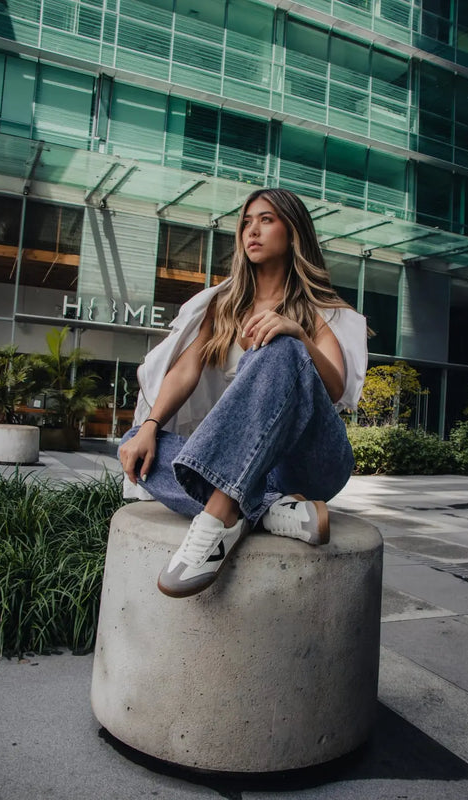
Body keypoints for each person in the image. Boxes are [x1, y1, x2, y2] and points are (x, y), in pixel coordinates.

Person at [118, 188, 367, 598]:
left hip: (310, 462)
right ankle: (269, 509)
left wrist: (299, 336)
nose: (252, 230)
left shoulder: (319, 307)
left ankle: (218, 521)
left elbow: (336, 387)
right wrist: (149, 425)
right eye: (247, 222)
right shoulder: (224, 305)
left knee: (278, 346)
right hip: (249, 466)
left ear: (293, 231)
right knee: (135, 444)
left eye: (266, 220)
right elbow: (185, 371)